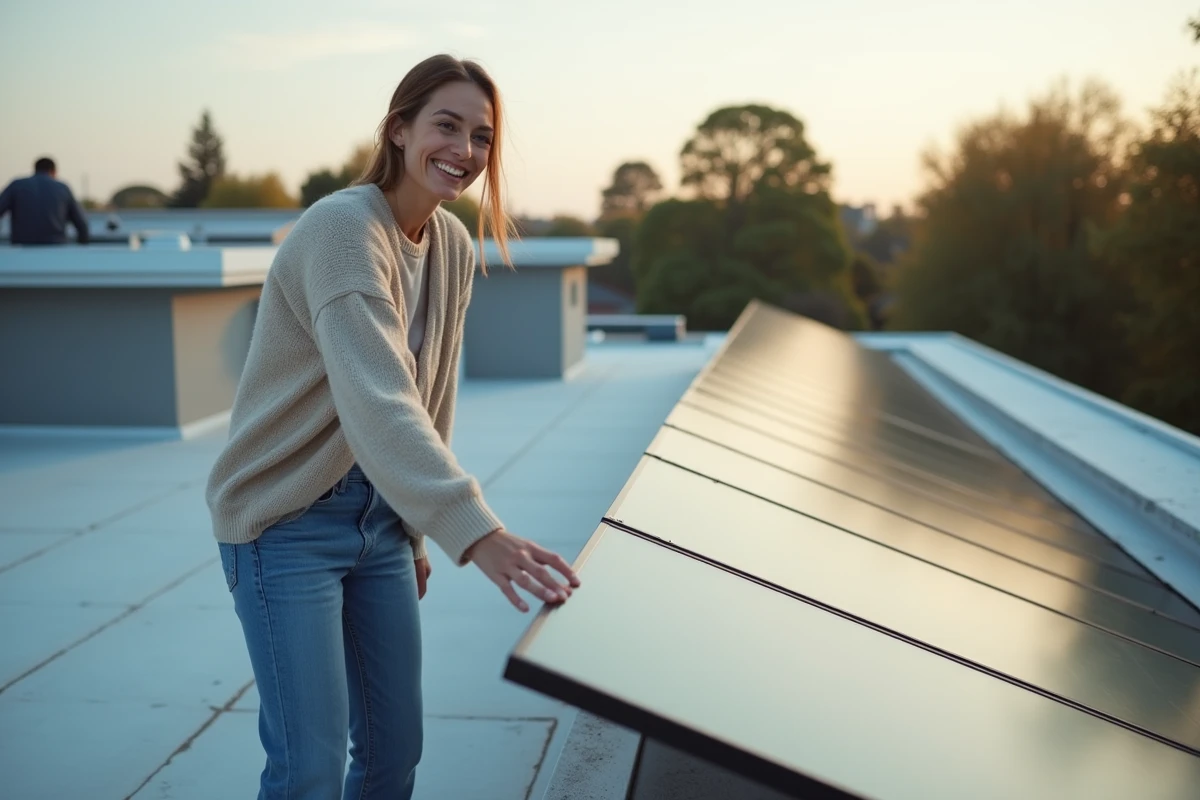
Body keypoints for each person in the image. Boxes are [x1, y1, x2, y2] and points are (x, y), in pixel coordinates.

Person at [205, 54, 580, 800]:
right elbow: (378, 398)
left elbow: (427, 400)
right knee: (307, 769)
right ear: (399, 129)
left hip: (379, 525)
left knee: (391, 753)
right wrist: (474, 529)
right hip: (286, 524)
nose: (466, 151)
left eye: (482, 136)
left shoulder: (452, 248)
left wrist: (411, 529)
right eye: (447, 126)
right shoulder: (342, 231)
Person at [0, 157, 91, 245]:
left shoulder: (17, 185)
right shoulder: (62, 188)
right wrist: (82, 247)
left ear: (35, 170)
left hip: (22, 247)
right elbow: (81, 223)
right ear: (54, 172)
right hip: (56, 247)